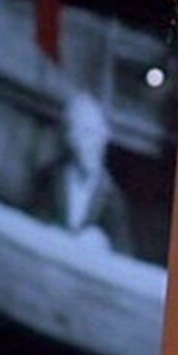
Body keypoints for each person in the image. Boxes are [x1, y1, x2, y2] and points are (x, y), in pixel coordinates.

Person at [20, 91, 133, 255]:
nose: (96, 143)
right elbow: (28, 227)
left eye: (99, 134)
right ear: (69, 138)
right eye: (87, 133)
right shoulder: (48, 178)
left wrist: (103, 246)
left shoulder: (113, 198)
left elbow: (124, 256)